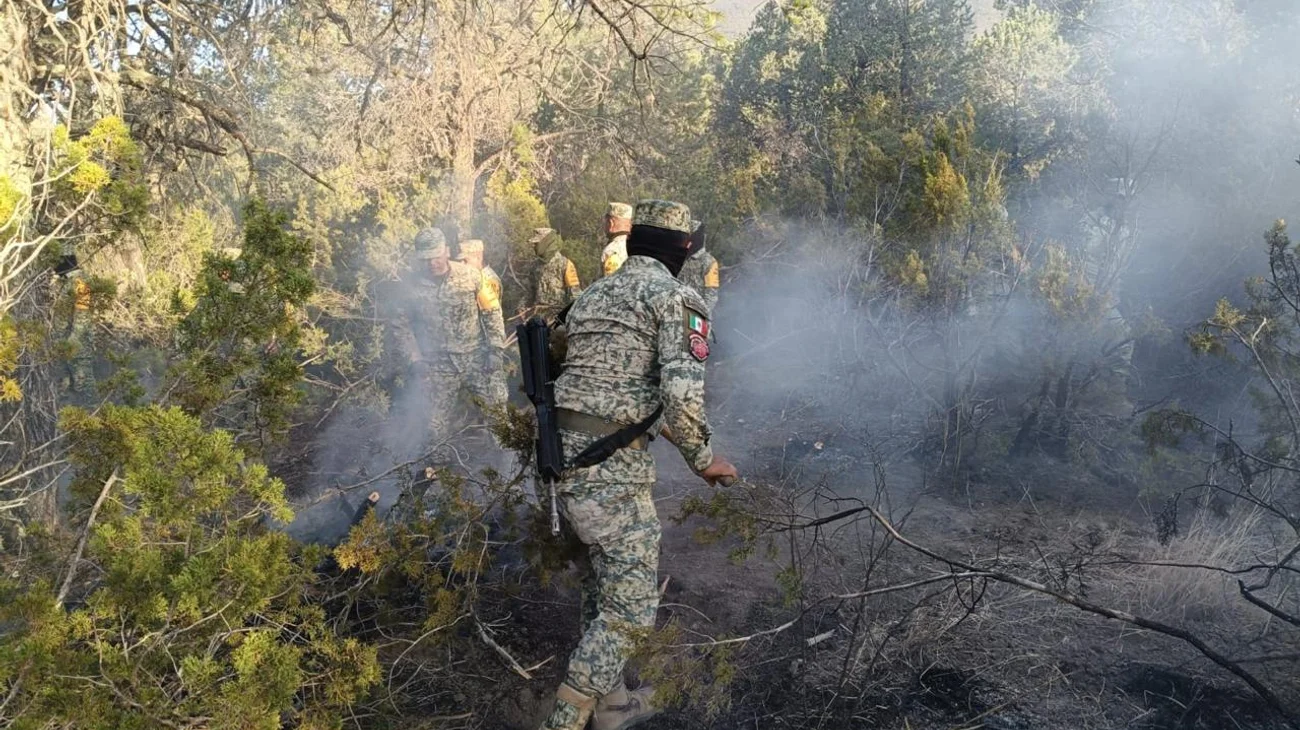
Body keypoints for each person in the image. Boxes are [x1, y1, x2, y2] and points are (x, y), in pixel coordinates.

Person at [539, 200, 738, 730]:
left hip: (567, 462)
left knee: (603, 592)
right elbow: (680, 393)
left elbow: (615, 393)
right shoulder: (676, 299)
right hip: (612, 477)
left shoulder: (594, 295)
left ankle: (611, 705)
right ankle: (563, 720)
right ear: (684, 251)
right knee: (628, 616)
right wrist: (704, 458)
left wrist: (685, 447)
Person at [393, 228, 502, 450]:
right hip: (438, 366)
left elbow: (492, 312)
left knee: (498, 418)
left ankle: (508, 470)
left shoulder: (471, 275)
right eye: (426, 258)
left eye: (436, 255)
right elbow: (400, 327)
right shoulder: (409, 288)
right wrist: (415, 359)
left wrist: (496, 350)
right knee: (434, 427)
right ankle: (438, 475)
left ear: (447, 251)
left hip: (477, 359)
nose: (432, 262)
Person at [457, 238, 509, 407]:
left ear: (478, 257)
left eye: (466, 260)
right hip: (473, 350)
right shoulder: (469, 278)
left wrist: (494, 351)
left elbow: (493, 317)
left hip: (487, 349)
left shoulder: (486, 280)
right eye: (460, 261)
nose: (463, 264)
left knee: (495, 400)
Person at [528, 227, 582, 321]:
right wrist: (521, 308)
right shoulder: (534, 266)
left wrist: (568, 319)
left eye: (536, 244)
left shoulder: (565, 264)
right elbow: (529, 291)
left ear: (546, 243)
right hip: (537, 319)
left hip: (558, 319)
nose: (534, 246)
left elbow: (575, 295)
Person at [678, 219, 720, 315]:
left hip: (695, 314)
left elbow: (711, 295)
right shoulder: (679, 257)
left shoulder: (708, 262)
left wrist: (701, 314)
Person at [599, 202, 633, 277]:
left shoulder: (611, 251)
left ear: (611, 223)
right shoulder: (636, 246)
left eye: (606, 222)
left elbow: (610, 284)